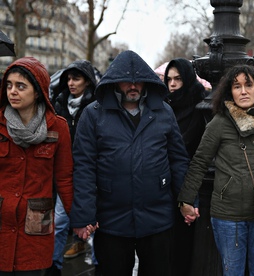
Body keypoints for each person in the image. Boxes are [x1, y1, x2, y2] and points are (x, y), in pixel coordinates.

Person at [69, 50, 190, 276]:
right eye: (126, 81)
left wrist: (187, 199)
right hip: (111, 219)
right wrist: (84, 214)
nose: (132, 86)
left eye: (138, 81)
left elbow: (178, 159)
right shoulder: (93, 115)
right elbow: (84, 166)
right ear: (115, 82)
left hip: (157, 217)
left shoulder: (164, 112)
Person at [177, 64, 254, 276]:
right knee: (232, 273)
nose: (243, 91)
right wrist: (187, 199)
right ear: (230, 92)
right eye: (237, 86)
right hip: (229, 216)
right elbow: (199, 162)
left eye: (248, 85)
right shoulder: (219, 124)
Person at [0, 57, 73, 274]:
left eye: (21, 86)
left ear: (38, 91)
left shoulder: (58, 127)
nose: (13, 91)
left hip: (35, 230)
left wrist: (80, 219)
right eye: (9, 85)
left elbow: (65, 178)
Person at [45, 60, 98, 276]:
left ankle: (98, 263)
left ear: (87, 81)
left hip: (89, 173)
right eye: (68, 78)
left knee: (93, 226)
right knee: (59, 223)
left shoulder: (96, 106)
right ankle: (53, 265)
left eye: (76, 78)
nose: (70, 83)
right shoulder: (59, 103)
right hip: (65, 173)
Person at [163, 58, 207, 276]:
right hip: (168, 183)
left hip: (195, 183)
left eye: (178, 79)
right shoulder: (164, 106)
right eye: (169, 79)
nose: (172, 84)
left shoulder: (201, 103)